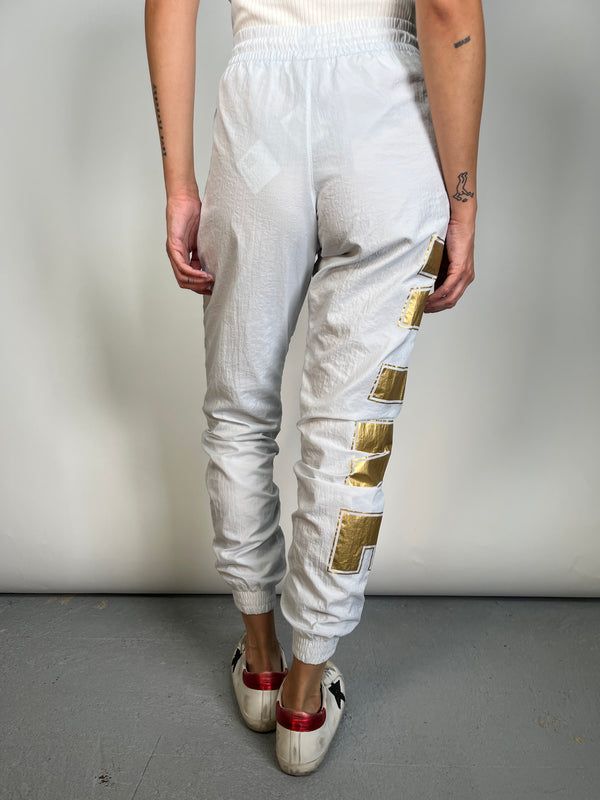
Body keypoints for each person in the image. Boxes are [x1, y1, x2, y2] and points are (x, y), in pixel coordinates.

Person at [145, 0, 485, 776]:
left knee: (238, 407)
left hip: (257, 115)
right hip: (386, 117)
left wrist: (179, 185)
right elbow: (446, 8)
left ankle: (260, 657)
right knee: (354, 430)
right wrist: (462, 201)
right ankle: (304, 694)